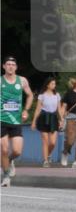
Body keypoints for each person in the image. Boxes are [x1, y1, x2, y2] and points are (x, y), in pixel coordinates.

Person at [1, 56, 34, 186]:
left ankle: (10, 160)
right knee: (4, 149)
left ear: (16, 67)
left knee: (17, 151)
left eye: (13, 65)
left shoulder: (22, 80)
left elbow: (30, 95)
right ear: (4, 66)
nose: (10, 66)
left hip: (16, 121)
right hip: (1, 119)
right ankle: (6, 176)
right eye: (8, 64)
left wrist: (26, 110)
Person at [31, 77, 60, 167]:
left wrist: (61, 119)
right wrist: (34, 121)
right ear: (47, 85)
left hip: (54, 118)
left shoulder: (57, 95)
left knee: (53, 143)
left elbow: (59, 109)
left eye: (54, 84)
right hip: (43, 118)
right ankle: (45, 161)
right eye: (52, 84)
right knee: (45, 141)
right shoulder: (42, 95)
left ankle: (48, 155)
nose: (54, 85)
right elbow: (38, 109)